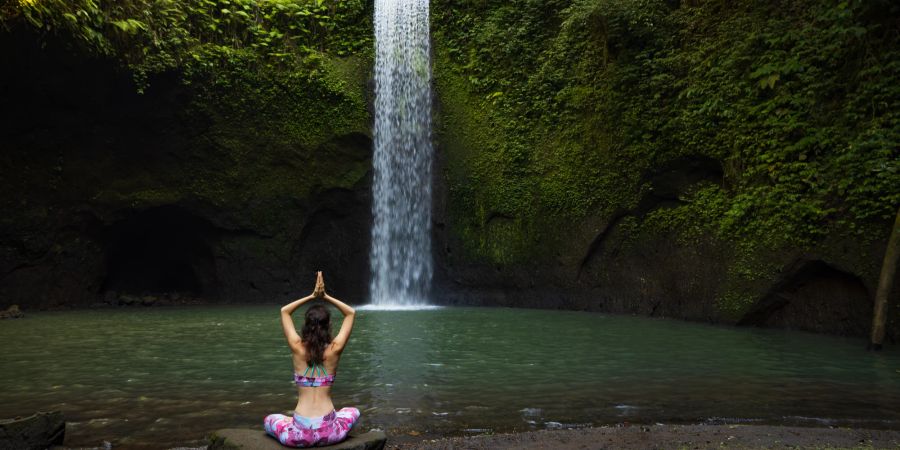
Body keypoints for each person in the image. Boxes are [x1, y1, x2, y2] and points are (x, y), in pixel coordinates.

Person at [264, 271, 360, 447]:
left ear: (306, 325)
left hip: (299, 435)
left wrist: (311, 296)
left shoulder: (297, 347)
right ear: (328, 325)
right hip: (330, 432)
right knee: (353, 411)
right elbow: (350, 313)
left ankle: (292, 423)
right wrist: (326, 296)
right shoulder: (335, 349)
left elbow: (284, 311)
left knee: (270, 419)